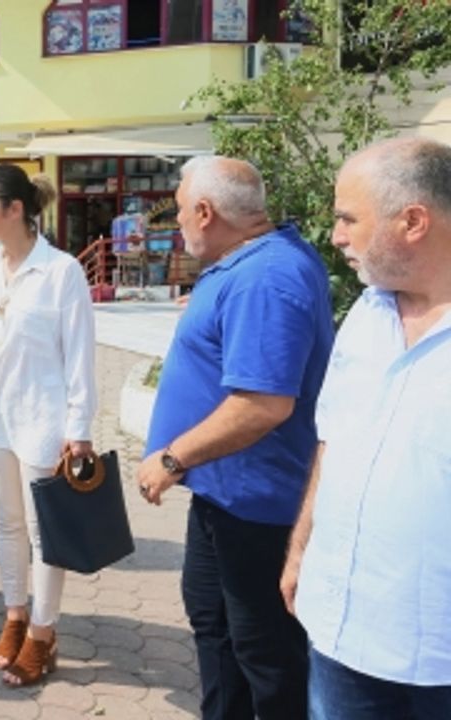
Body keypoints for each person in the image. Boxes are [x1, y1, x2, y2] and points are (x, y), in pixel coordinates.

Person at [135, 155, 333, 720]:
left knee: (266, 658)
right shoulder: (244, 263)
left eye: (179, 211)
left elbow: (262, 404)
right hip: (224, 496)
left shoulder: (266, 278)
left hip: (258, 506)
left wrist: (172, 459)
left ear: (205, 211)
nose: (176, 223)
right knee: (216, 631)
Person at [281, 138, 451, 719]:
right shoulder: (366, 314)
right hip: (340, 634)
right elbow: (333, 441)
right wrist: (302, 550)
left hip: (438, 659)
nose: (335, 236)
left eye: (349, 218)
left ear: (413, 222)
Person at [0, 164, 95, 687]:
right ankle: (15, 616)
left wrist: (79, 427)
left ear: (15, 209)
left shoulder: (61, 271)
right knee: (7, 524)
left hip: (44, 417)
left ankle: (42, 632)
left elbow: (80, 356)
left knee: (44, 531)